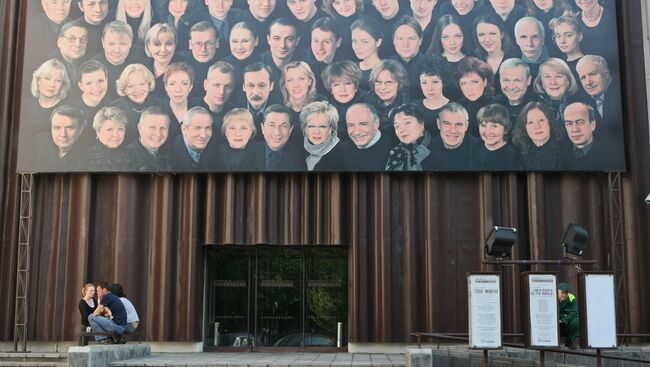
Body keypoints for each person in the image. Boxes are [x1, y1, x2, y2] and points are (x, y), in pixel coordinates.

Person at [560, 101, 622, 170]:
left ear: (592, 125)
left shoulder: (609, 155)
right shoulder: (559, 153)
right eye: (569, 123)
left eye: (580, 122)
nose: (575, 129)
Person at [111, 63, 159, 144]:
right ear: (124, 88)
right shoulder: (114, 110)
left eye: (142, 84)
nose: (137, 90)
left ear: (149, 84)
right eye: (130, 86)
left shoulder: (157, 104)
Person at [576, 55, 621, 138]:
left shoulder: (621, 91)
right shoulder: (583, 101)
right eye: (583, 78)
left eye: (592, 74)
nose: (588, 82)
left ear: (606, 74)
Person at [511, 101, 565, 170]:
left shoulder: (564, 150)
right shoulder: (518, 153)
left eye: (541, 120)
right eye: (531, 122)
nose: (537, 126)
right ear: (524, 127)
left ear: (550, 122)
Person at [427, 101, 481, 171]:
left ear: (466, 126)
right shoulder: (426, 149)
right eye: (447, 123)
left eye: (459, 124)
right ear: (438, 124)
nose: (453, 130)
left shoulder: (480, 148)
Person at [321, 60, 367, 141]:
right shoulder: (325, 107)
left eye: (347, 83)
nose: (342, 89)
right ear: (331, 89)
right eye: (336, 85)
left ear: (355, 86)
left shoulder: (368, 102)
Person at [364, 59, 409, 139]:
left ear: (399, 83)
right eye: (378, 82)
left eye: (389, 82)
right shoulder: (365, 104)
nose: (382, 87)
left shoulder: (408, 105)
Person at [472, 14, 518, 92]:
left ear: (502, 34)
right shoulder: (474, 61)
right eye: (481, 34)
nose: (487, 40)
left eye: (492, 33)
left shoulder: (515, 58)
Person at [27, 59, 72, 137]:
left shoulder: (69, 109)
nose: (52, 85)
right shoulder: (26, 105)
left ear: (63, 85)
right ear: (38, 80)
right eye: (47, 78)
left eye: (58, 81)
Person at [34, 105, 88, 171]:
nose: (63, 134)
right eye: (57, 128)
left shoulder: (90, 154)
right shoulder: (37, 143)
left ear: (80, 129)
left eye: (70, 128)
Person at [342, 103, 393, 171]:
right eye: (350, 125)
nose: (357, 132)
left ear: (376, 124)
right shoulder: (341, 150)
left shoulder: (394, 149)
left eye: (363, 124)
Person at [255, 104, 306, 171]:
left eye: (283, 126)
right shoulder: (250, 152)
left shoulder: (300, 156)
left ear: (290, 129)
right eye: (271, 125)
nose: (277, 132)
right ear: (262, 128)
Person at [385, 102, 432, 171]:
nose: (401, 130)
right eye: (397, 126)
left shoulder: (436, 150)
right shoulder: (395, 152)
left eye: (407, 123)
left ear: (421, 124)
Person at [534, 58, 583, 124]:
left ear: (568, 81)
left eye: (558, 76)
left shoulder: (581, 107)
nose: (553, 82)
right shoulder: (534, 108)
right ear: (540, 82)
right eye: (547, 76)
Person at [391, 15, 428, 99]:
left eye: (411, 38)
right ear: (393, 40)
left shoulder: (431, 65)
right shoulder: (386, 65)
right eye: (400, 39)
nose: (405, 44)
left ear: (420, 40)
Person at [455, 57, 495, 137]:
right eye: (464, 83)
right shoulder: (457, 106)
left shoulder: (495, 107)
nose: (469, 89)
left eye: (474, 82)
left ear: (485, 82)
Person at [473, 103, 521, 170]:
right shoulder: (474, 148)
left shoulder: (512, 157)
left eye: (494, 126)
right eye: (483, 125)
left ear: (506, 129)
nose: (488, 132)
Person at [182, 21, 221, 99]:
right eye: (197, 43)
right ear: (190, 44)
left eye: (209, 43)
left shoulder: (225, 64)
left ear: (217, 43)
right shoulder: (179, 63)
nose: (203, 49)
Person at [300, 101, 344, 171]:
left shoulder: (344, 153)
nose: (316, 132)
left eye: (322, 126)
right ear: (305, 128)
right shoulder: (296, 151)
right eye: (311, 126)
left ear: (330, 129)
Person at [162, 62, 199, 140]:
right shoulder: (159, 109)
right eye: (172, 84)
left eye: (184, 84)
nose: (178, 90)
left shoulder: (199, 107)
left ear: (191, 87)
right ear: (166, 86)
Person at [126, 106, 171, 171]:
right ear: (140, 128)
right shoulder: (125, 158)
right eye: (152, 127)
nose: (158, 134)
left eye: (163, 128)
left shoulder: (172, 153)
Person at [170, 106, 214, 171]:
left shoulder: (214, 145)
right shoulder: (170, 151)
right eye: (197, 128)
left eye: (207, 128)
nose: (203, 135)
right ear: (184, 129)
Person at [414, 57, 450, 136]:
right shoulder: (414, 106)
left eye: (435, 82)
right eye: (424, 83)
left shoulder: (454, 108)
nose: (429, 88)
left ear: (443, 82)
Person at [88, 106, 131, 171]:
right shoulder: (86, 157)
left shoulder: (131, 154)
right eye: (110, 129)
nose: (116, 135)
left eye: (120, 129)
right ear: (98, 132)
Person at [242, 62, 279, 137]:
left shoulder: (280, 107)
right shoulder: (233, 107)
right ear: (244, 87)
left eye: (262, 85)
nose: (256, 92)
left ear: (271, 86)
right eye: (250, 85)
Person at [307, 17, 343, 94]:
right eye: (316, 41)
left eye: (326, 42)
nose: (320, 47)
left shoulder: (345, 68)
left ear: (338, 42)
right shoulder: (305, 68)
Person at [494, 58, 535, 123]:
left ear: (529, 80)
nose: (511, 87)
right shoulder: (493, 105)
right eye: (506, 80)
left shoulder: (538, 106)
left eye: (517, 80)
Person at [143, 23, 178, 97]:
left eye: (169, 44)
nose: (163, 50)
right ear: (148, 46)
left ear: (175, 45)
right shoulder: (142, 68)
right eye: (157, 44)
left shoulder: (182, 70)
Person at [201, 61, 236, 132]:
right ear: (205, 85)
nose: (221, 92)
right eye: (217, 85)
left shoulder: (234, 114)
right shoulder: (191, 107)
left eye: (227, 86)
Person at [350, 16, 383, 92]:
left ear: (378, 42)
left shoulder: (387, 69)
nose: (358, 47)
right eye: (354, 41)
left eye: (365, 42)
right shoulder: (350, 69)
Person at [549, 15, 584, 80]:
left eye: (568, 35)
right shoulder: (556, 63)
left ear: (580, 36)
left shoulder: (587, 64)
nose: (562, 41)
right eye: (557, 36)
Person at [557, 282, 579, 349]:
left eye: (566, 293)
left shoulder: (571, 298)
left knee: (576, 320)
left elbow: (574, 313)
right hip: (556, 324)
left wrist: (563, 320)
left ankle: (570, 341)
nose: (564, 295)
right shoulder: (553, 297)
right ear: (558, 292)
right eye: (562, 293)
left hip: (566, 322)